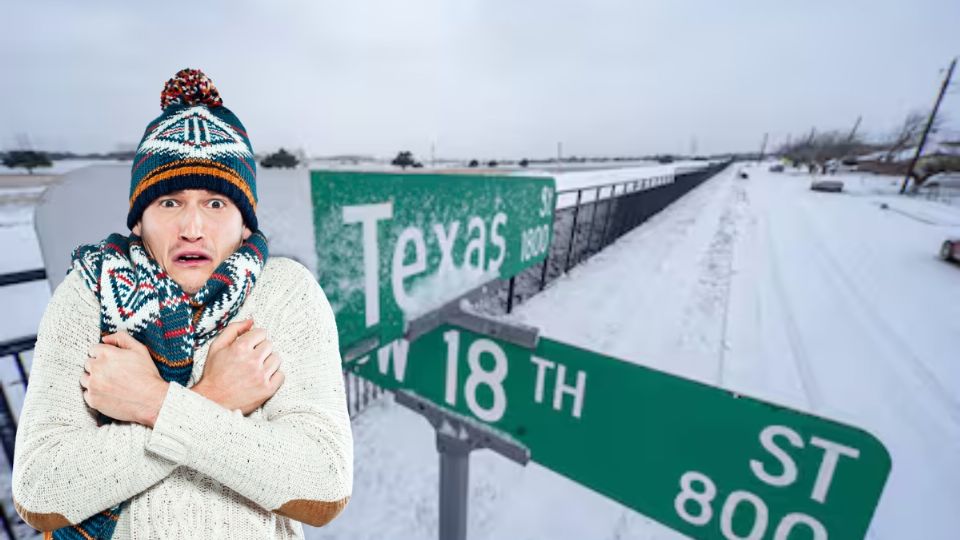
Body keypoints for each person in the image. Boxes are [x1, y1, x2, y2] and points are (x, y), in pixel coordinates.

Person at [11, 69, 353, 539]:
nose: (192, 226)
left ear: (245, 224)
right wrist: (217, 396)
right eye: (169, 202)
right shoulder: (90, 291)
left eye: (216, 204)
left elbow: (322, 483)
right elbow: (41, 492)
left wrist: (151, 402)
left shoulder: (285, 291)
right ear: (138, 222)